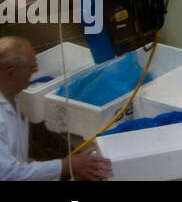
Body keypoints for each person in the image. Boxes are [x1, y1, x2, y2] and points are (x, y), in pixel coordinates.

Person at [1, 36, 113, 180]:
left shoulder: (13, 97)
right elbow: (7, 174)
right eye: (32, 69)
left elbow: (10, 163)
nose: (33, 74)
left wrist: (26, 165)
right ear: (11, 72)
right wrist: (68, 165)